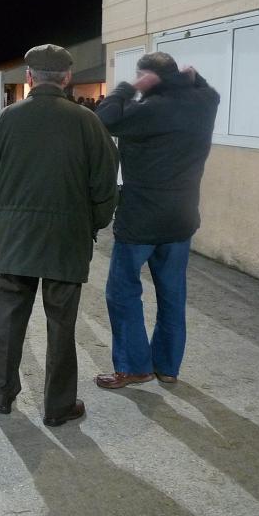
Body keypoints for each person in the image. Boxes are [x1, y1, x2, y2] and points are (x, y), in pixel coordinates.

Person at [0, 44, 118, 426]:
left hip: (16, 240)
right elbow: (105, 189)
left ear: (29, 77)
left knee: (8, 319)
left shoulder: (6, 121)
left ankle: (3, 397)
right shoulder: (89, 123)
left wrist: (9, 219)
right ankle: (58, 407)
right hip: (67, 241)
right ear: (67, 77)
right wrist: (91, 225)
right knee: (61, 325)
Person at [94, 52, 219, 389]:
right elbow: (209, 90)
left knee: (122, 293)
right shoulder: (205, 101)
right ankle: (167, 366)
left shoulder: (147, 111)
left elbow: (102, 119)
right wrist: (194, 78)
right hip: (181, 219)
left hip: (141, 220)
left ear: (148, 78)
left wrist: (126, 87)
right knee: (172, 294)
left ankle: (135, 367)